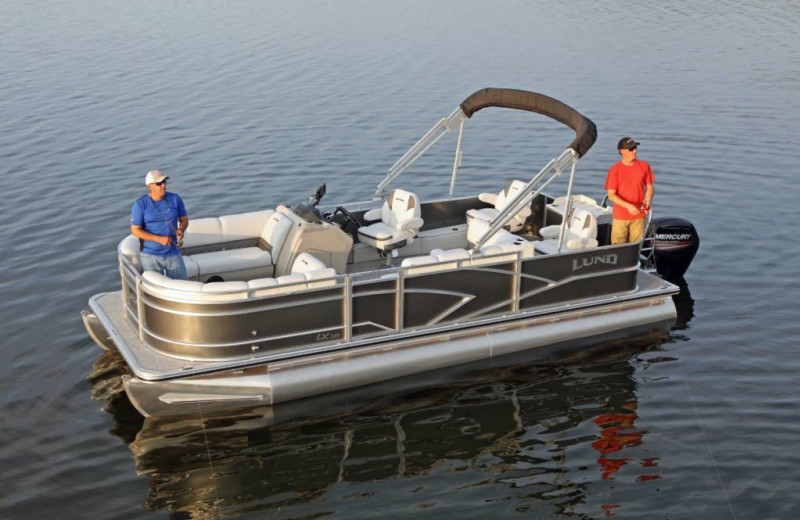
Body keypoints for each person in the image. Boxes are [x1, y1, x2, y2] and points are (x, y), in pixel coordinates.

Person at [130, 170, 189, 279]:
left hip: (173, 253)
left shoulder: (175, 199)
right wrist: (159, 239)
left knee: (182, 285)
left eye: (164, 182)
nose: (163, 186)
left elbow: (184, 219)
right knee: (155, 289)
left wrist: (181, 229)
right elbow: (135, 231)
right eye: (159, 183)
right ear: (150, 186)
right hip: (150, 256)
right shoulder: (140, 204)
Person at [604, 136, 654, 244]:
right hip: (620, 216)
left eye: (635, 148)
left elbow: (649, 187)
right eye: (631, 149)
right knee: (618, 247)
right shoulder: (614, 170)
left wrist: (648, 199)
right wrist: (629, 206)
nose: (635, 151)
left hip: (639, 215)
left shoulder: (644, 166)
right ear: (622, 151)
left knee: (636, 247)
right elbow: (611, 195)